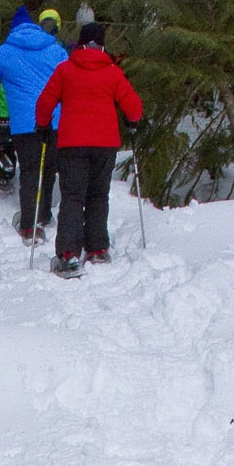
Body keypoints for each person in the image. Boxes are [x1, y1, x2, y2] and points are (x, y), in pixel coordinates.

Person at [34, 21, 143, 278]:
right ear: (102, 45)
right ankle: (97, 250)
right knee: (97, 195)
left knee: (72, 196)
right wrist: (132, 121)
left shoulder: (65, 70)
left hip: (72, 144)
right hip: (105, 145)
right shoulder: (112, 72)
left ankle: (69, 254)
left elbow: (44, 102)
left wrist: (43, 126)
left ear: (80, 43)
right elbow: (134, 108)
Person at [0, 5, 68, 245]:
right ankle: (44, 214)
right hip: (56, 120)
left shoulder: (6, 51)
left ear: (13, 30)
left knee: (31, 171)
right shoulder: (55, 49)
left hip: (25, 125)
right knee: (48, 168)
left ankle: (29, 226)